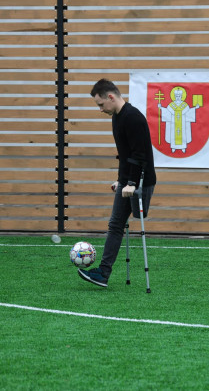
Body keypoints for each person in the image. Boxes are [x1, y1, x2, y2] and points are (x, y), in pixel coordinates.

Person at [78, 78, 156, 288]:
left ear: (111, 97)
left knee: (129, 220)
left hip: (141, 180)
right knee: (115, 224)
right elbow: (125, 155)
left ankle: (103, 273)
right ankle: (103, 274)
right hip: (129, 179)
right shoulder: (117, 117)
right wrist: (121, 181)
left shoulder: (133, 118)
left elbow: (139, 155)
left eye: (101, 104)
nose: (100, 109)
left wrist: (131, 183)